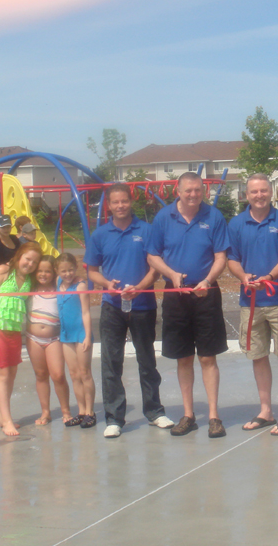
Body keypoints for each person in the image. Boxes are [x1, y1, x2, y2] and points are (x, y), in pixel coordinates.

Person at [85, 183, 174, 438]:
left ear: (130, 201)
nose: (120, 206)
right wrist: (107, 284)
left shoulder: (147, 230)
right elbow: (92, 271)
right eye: (115, 202)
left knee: (147, 360)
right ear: (109, 206)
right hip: (112, 307)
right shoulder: (100, 235)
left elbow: (155, 269)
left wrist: (140, 288)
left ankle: (155, 411)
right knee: (111, 363)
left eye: (124, 201)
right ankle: (114, 418)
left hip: (143, 305)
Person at [147, 172, 230, 438]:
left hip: (206, 294)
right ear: (177, 191)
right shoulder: (163, 218)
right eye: (188, 191)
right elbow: (152, 255)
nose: (193, 195)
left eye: (198, 190)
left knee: (207, 357)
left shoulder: (214, 217)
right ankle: (189, 414)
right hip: (175, 296)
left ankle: (214, 416)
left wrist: (208, 280)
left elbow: (221, 256)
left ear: (203, 190)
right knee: (184, 358)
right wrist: (171, 275)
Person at [227, 173, 278, 436]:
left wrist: (269, 277)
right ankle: (266, 411)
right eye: (254, 192)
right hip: (250, 301)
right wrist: (243, 276)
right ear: (246, 195)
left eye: (263, 191)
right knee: (257, 356)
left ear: (271, 192)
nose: (259, 195)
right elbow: (232, 259)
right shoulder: (236, 224)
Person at [0, 241, 43, 436]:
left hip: (13, 330)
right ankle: (7, 420)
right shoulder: (4, 271)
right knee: (3, 374)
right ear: (19, 256)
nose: (29, 264)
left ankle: (0, 416)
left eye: (34, 262)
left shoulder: (29, 281)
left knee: (12, 373)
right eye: (27, 259)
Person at [25, 254, 73, 426]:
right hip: (33, 338)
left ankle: (65, 410)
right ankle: (45, 412)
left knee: (58, 375)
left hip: (54, 339)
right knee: (40, 375)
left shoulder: (60, 288)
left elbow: (74, 277)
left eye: (47, 271)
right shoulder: (30, 288)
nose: (43, 274)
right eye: (40, 271)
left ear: (54, 273)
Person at [56, 253, 96, 429]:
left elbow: (86, 312)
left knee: (85, 372)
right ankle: (80, 412)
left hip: (80, 334)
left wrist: (88, 335)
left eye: (71, 269)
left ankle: (90, 412)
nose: (67, 274)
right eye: (63, 271)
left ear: (76, 268)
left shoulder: (80, 285)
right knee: (73, 374)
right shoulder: (58, 283)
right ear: (58, 271)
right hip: (66, 334)